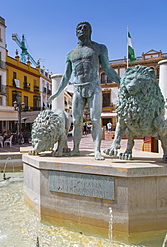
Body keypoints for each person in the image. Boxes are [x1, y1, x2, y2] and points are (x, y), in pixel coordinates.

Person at [48, 22, 121, 160]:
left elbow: (107, 69)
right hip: (78, 88)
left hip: (93, 86)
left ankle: (96, 150)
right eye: (79, 28)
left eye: (85, 28)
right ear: (76, 33)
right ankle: (76, 149)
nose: (82, 30)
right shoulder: (71, 54)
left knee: (95, 120)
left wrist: (121, 83)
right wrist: (57, 93)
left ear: (90, 31)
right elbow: (66, 76)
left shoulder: (99, 48)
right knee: (76, 121)